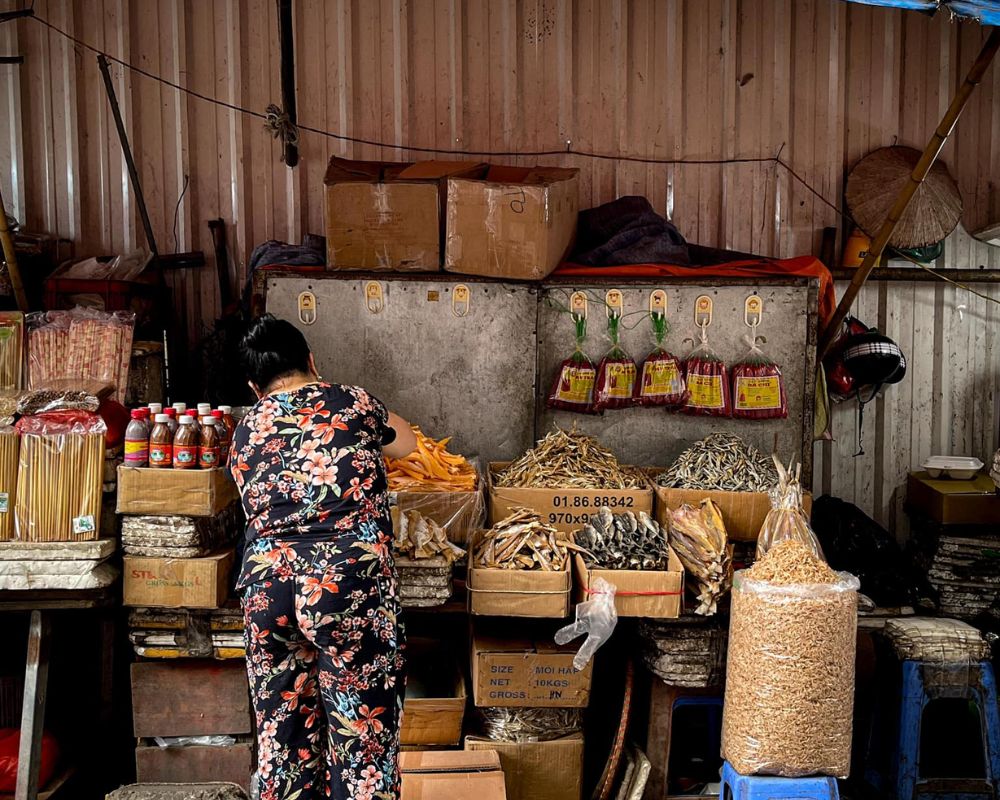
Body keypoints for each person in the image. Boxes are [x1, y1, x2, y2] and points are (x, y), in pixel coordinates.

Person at [230, 314, 417, 800]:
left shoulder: (246, 427)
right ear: (311, 360)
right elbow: (410, 442)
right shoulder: (351, 400)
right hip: (344, 585)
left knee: (283, 742)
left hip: (267, 593)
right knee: (363, 743)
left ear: (255, 386)